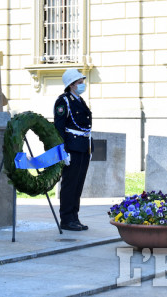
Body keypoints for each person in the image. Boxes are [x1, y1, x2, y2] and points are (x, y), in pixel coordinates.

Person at [54, 68, 92, 232]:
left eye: (82, 81)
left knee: (78, 184)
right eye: (79, 82)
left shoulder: (80, 100)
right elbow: (59, 128)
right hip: (72, 147)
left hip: (83, 147)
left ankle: (74, 217)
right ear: (71, 85)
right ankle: (66, 219)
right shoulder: (64, 101)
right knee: (69, 184)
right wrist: (63, 151)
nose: (82, 84)